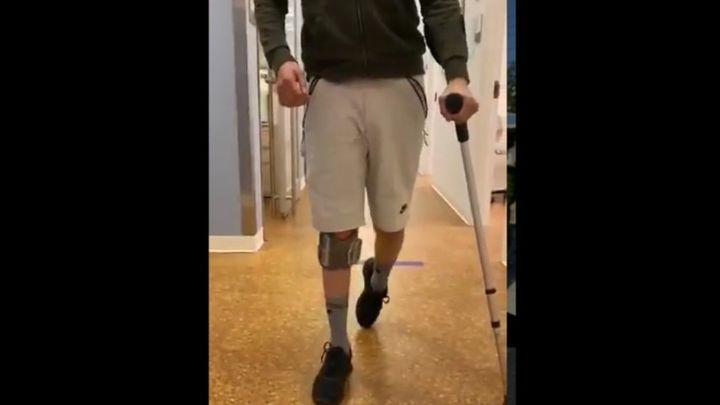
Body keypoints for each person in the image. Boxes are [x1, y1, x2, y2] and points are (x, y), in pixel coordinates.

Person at [255, 1, 479, 403]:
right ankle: (339, 346)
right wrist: (280, 56)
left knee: (391, 223)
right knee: (336, 228)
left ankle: (378, 279)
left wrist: (457, 74)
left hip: (399, 83)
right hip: (329, 86)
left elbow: (440, 7)